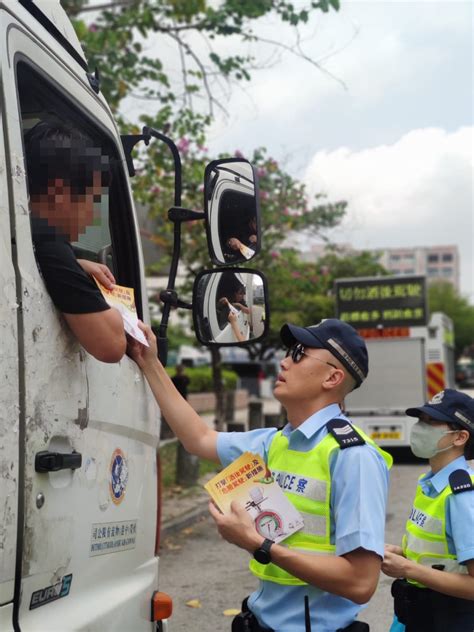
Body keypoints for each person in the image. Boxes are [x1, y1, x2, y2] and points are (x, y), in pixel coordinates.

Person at [127, 318, 393, 632]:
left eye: (298, 354)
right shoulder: (273, 442)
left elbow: (361, 582)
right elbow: (198, 439)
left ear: (333, 377)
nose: (283, 361)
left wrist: (258, 544)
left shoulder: (353, 456)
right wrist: (150, 362)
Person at [25, 120, 126, 363]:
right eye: (92, 202)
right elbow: (111, 345)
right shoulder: (48, 239)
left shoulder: (25, 234)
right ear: (59, 193)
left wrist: (76, 263)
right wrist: (121, 313)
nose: (93, 217)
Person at [382, 389, 474, 632]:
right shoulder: (430, 483)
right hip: (419, 614)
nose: (421, 428)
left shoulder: (461, 495)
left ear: (460, 437)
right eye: (421, 420)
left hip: (450, 619)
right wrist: (403, 553)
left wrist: (408, 569)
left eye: (432, 422)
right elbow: (448, 555)